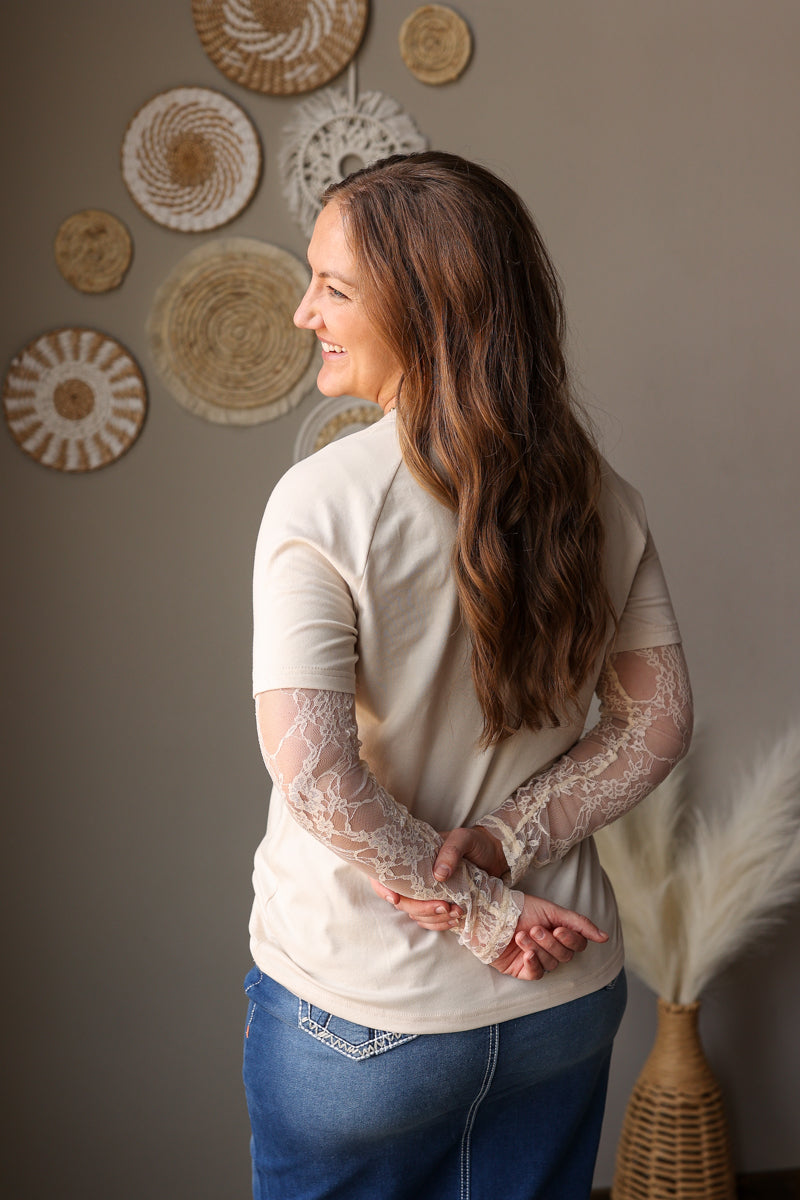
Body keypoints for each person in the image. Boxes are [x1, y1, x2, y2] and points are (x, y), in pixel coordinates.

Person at [243, 151, 693, 1200]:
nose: (304, 310)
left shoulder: (319, 503)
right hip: (562, 1000)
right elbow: (655, 725)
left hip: (364, 1017)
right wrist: (505, 847)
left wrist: (486, 912)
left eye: (333, 287)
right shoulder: (601, 497)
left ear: (426, 309)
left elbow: (313, 776)